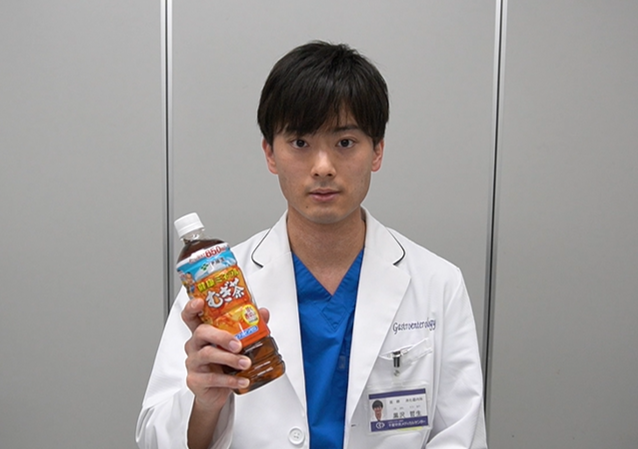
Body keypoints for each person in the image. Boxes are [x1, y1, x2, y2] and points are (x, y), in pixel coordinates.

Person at [136, 41, 487, 449]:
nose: (323, 167)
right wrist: (205, 403)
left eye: (345, 142)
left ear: (377, 151)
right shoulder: (216, 290)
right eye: (300, 143)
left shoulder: (438, 284)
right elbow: (154, 439)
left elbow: (461, 436)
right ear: (270, 154)